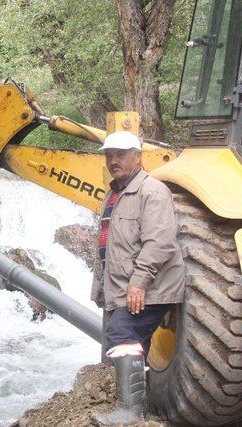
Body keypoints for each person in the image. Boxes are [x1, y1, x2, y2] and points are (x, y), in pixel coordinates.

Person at [89, 131, 185, 426]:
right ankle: (141, 410)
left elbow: (159, 242)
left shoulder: (152, 191)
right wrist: (101, 289)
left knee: (122, 334)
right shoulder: (114, 192)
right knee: (133, 340)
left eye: (120, 154)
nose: (113, 161)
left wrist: (138, 282)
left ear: (137, 156)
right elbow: (109, 245)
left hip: (151, 286)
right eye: (109, 155)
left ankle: (130, 412)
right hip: (124, 285)